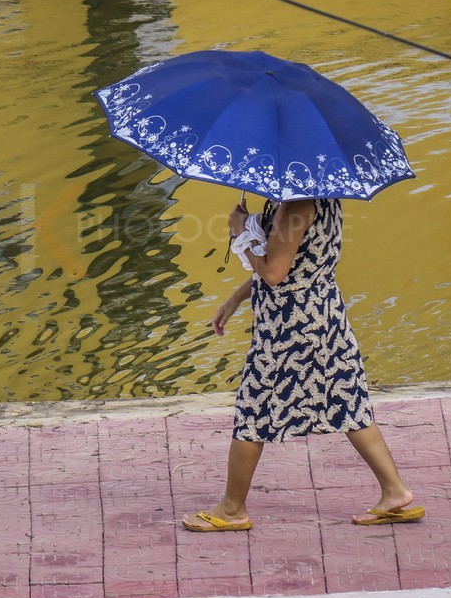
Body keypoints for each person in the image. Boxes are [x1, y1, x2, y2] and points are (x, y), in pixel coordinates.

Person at [181, 195, 422, 531]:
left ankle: (232, 509)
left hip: (291, 326)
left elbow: (274, 272)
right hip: (324, 313)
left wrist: (240, 234)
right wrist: (235, 298)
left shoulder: (294, 208)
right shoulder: (323, 199)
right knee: (347, 400)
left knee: (253, 409)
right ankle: (394, 491)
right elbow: (295, 264)